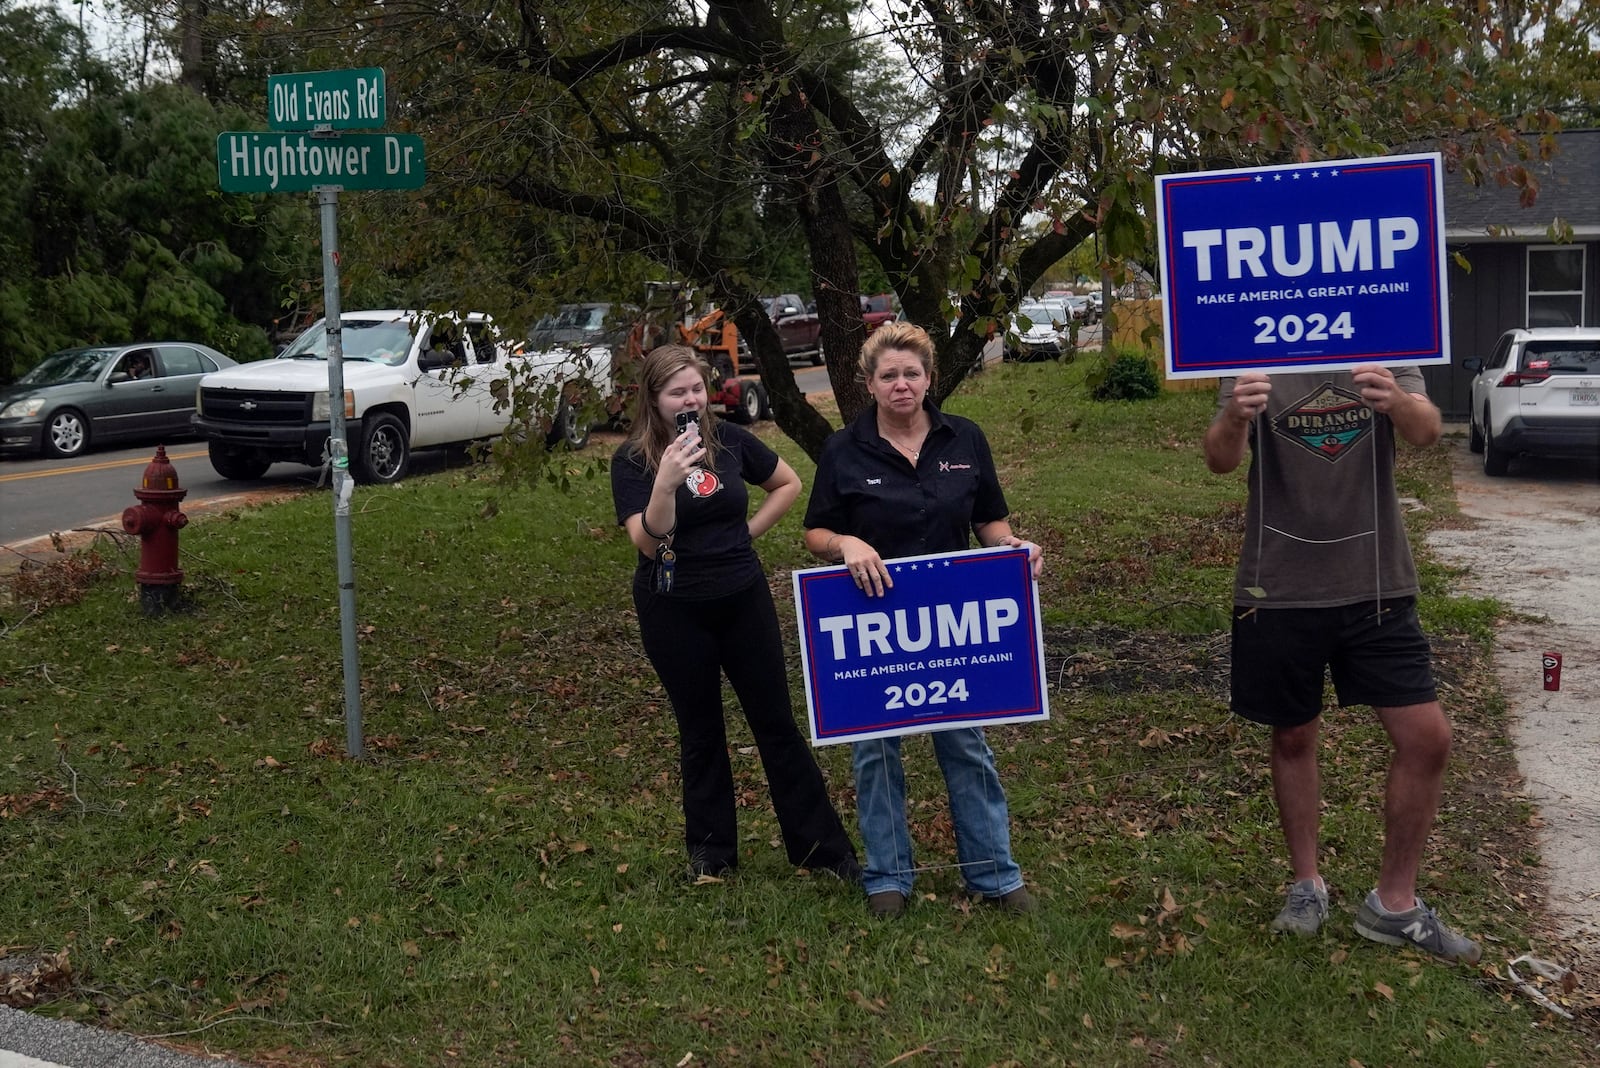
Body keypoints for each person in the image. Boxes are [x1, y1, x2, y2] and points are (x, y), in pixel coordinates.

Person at [1203, 363, 1480, 963]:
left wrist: (1396, 403)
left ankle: (1395, 904)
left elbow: (1428, 430)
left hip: (1376, 583)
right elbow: (1221, 459)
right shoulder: (1251, 344)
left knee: (1427, 738)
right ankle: (1307, 887)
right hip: (1277, 584)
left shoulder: (1379, 331)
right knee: (1294, 733)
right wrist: (1234, 414)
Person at [801, 322, 1043, 918]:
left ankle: (994, 873)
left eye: (912, 373)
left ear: (930, 379)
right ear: (869, 384)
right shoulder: (843, 449)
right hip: (871, 620)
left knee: (965, 742)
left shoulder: (965, 440)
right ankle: (888, 876)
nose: (901, 384)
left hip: (950, 623)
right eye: (889, 375)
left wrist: (1015, 548)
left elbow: (990, 523)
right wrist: (846, 544)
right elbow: (815, 533)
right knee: (874, 751)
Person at [610, 344, 859, 882]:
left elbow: (788, 483)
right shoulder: (632, 460)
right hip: (672, 606)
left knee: (776, 724)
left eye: (696, 388)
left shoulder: (731, 441)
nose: (691, 399)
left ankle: (823, 851)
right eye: (677, 391)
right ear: (653, 400)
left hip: (741, 596)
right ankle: (712, 855)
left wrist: (744, 533)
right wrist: (666, 482)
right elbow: (649, 543)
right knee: (700, 731)